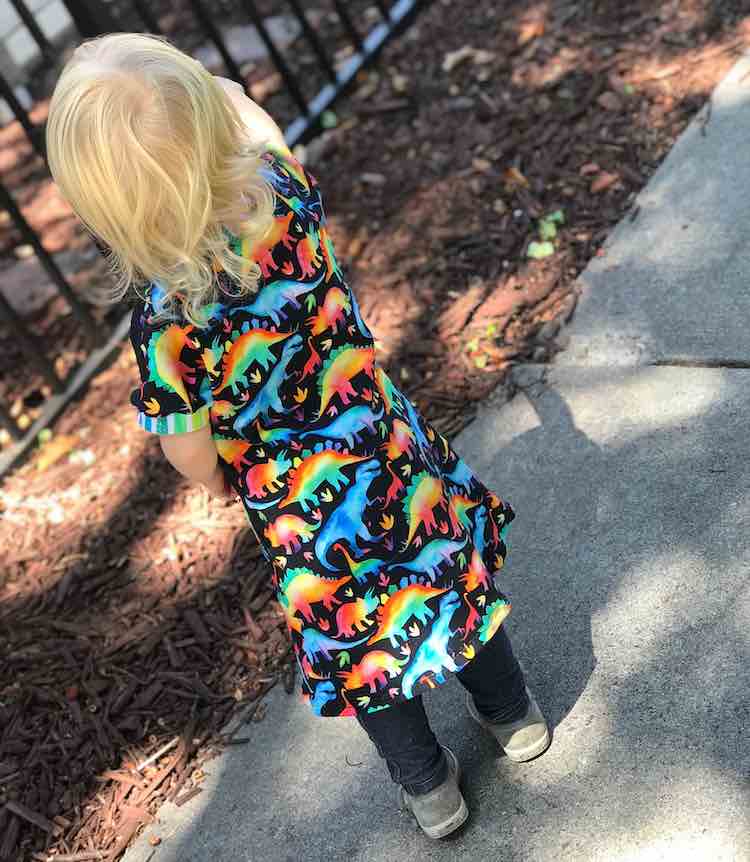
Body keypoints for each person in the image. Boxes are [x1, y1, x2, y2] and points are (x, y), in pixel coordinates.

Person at [45, 32, 551, 839]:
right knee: (448, 576)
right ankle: (512, 714)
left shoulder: (166, 322)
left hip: (300, 512)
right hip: (390, 455)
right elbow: (257, 120)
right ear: (215, 124)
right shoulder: (284, 193)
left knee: (360, 643)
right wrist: (205, 90)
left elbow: (187, 445)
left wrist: (217, 480)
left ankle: (430, 790)